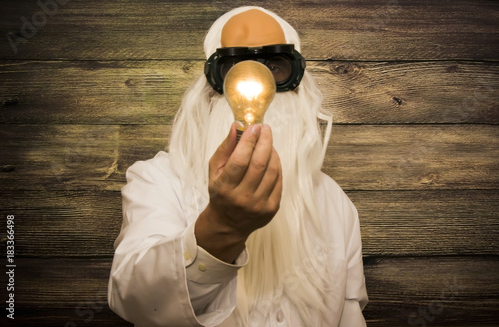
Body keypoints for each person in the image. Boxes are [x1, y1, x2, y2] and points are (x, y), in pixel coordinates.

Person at [108, 6, 368, 327]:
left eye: (275, 66)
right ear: (213, 85)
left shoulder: (333, 202)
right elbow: (137, 300)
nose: (256, 81)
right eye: (235, 66)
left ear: (297, 80)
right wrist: (222, 227)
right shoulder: (158, 181)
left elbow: (349, 316)